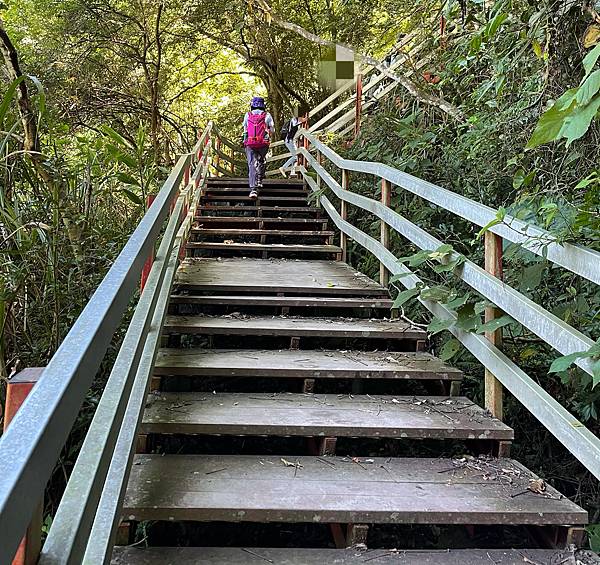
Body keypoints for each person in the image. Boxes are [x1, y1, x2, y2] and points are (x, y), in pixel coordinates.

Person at [243, 96, 275, 199]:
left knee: (252, 163)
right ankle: (260, 180)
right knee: (261, 160)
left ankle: (253, 190)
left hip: (250, 143)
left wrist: (245, 140)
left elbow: (245, 129)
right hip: (263, 143)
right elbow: (272, 130)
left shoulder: (248, 115)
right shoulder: (267, 115)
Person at [279, 108, 306, 178]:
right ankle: (283, 168)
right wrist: (305, 119)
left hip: (290, 140)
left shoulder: (294, 120)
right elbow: (301, 121)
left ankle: (292, 172)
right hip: (289, 141)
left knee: (296, 156)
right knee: (295, 157)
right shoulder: (294, 120)